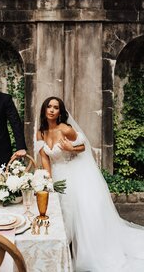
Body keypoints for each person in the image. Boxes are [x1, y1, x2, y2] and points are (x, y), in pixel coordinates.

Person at [35, 96, 144, 272]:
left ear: (60, 111)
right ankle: (60, 245)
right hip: (55, 175)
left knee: (74, 210)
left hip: (71, 173)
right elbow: (44, 157)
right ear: (44, 109)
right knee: (57, 211)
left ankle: (77, 247)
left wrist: (71, 149)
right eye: (49, 106)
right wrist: (47, 180)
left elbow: (83, 147)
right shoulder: (40, 132)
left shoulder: (66, 129)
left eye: (56, 107)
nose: (52, 110)